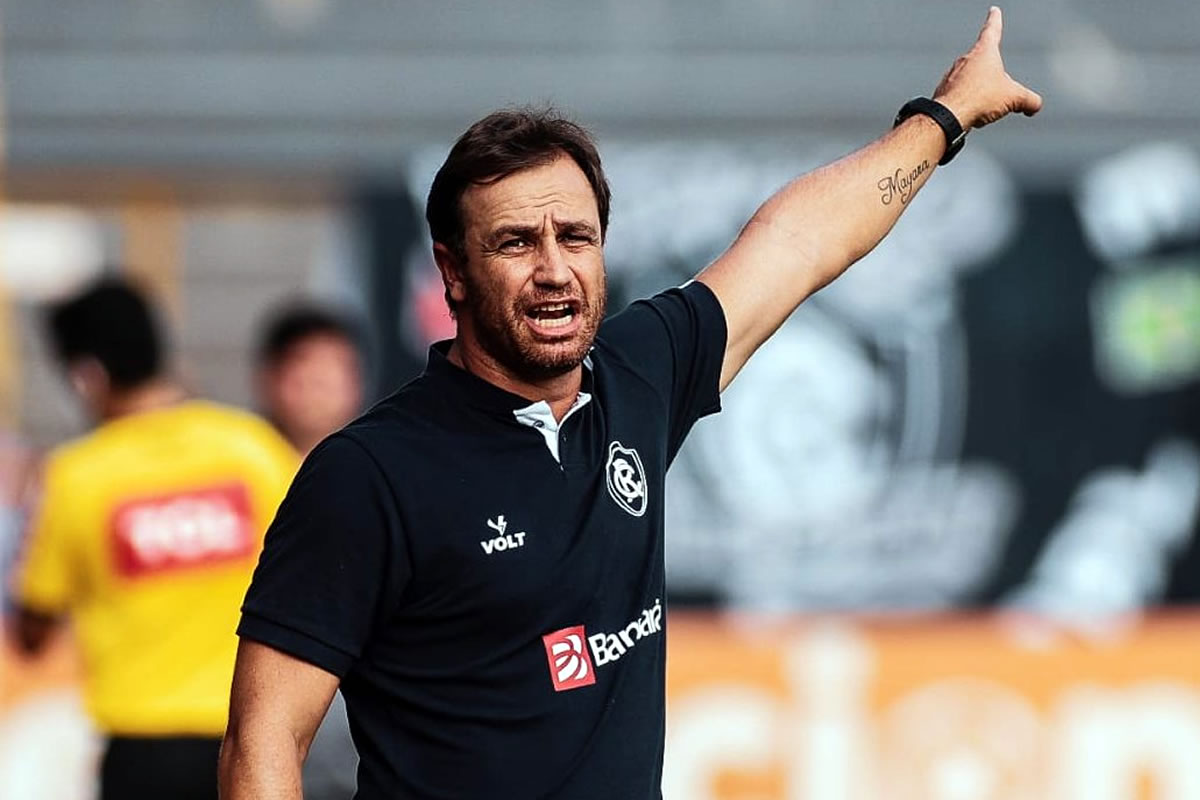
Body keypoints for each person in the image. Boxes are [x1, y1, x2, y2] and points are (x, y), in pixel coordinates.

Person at [220, 8, 1041, 799]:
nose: (554, 270)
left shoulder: (637, 377)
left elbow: (799, 241)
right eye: (516, 243)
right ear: (454, 271)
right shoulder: (368, 475)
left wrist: (944, 117)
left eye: (575, 237)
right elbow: (263, 741)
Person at [8, 277, 298, 800]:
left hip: (139, 751)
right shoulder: (253, 449)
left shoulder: (75, 476)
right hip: (255, 738)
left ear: (87, 375)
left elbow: (34, 628)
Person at [253, 302, 368, 800]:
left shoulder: (388, 481)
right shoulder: (235, 477)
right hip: (263, 727)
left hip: (361, 742)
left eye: (333, 369)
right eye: (304, 368)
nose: (319, 384)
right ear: (270, 379)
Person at [254, 303, 367, 458]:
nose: (317, 393)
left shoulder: (378, 462)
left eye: (331, 366)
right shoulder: (237, 461)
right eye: (302, 363)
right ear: (269, 378)